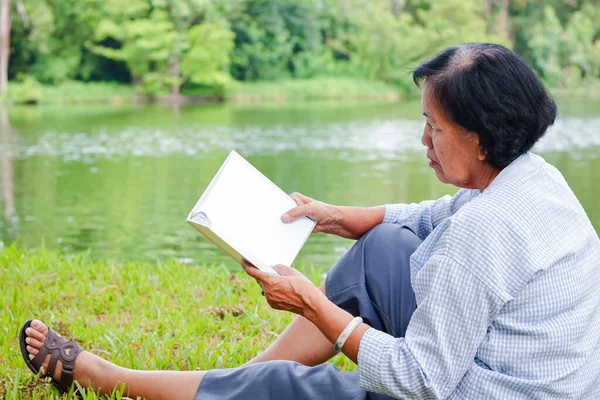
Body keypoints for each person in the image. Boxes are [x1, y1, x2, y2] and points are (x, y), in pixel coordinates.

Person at [20, 43, 600, 399]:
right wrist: (338, 218)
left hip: (488, 391)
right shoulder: (531, 177)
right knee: (382, 248)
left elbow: (422, 381)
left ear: (477, 138)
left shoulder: (485, 234)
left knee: (289, 388)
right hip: (531, 373)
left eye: (434, 127)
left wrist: (310, 305)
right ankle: (234, 380)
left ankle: (104, 375)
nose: (422, 140)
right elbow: (437, 214)